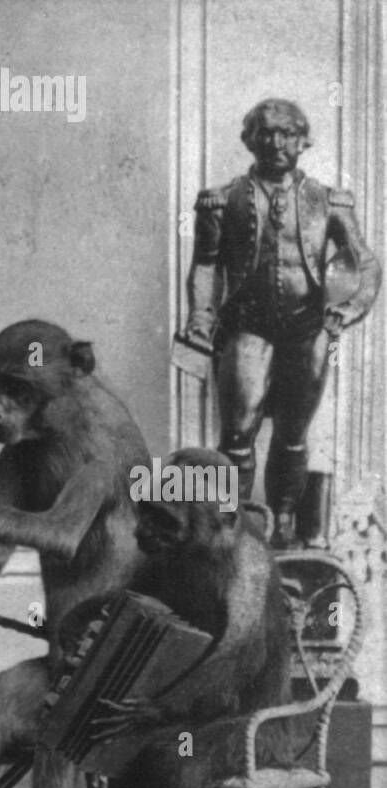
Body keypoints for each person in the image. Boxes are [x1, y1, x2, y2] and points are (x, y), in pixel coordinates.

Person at [183, 98, 379, 548]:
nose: (276, 142)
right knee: (236, 435)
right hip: (246, 328)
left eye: (287, 133)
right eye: (266, 132)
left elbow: (365, 264)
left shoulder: (329, 201)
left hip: (308, 331)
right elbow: (206, 266)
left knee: (292, 436)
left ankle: (284, 524)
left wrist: (348, 310)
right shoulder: (222, 200)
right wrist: (200, 314)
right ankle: (235, 523)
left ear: (302, 139)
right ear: (250, 138)